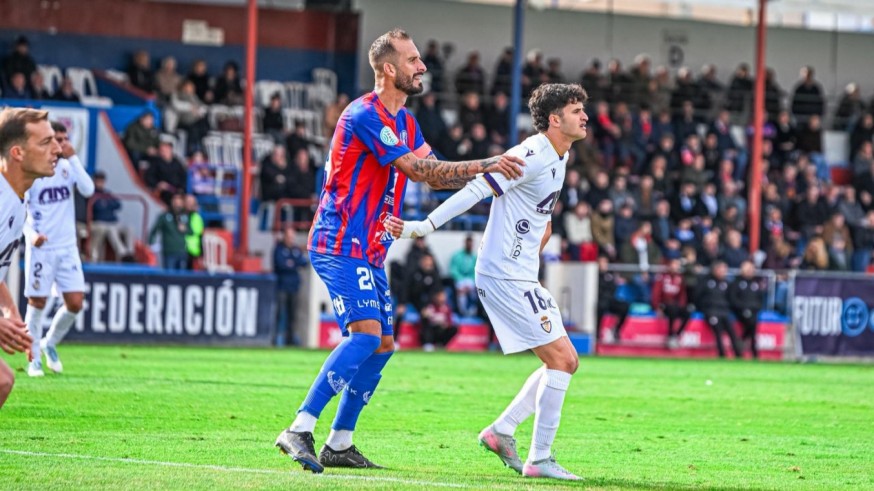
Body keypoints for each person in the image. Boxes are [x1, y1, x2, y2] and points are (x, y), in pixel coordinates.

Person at [274, 28, 523, 474]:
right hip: (339, 241)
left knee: (383, 345)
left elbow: (436, 174)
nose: (422, 66)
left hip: (369, 249)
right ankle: (299, 427)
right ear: (388, 69)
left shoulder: (405, 122)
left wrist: (492, 177)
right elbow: (417, 169)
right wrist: (488, 163)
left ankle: (339, 442)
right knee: (366, 336)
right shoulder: (364, 114)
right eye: (413, 60)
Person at [386, 83, 589, 480]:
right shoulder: (530, 153)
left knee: (566, 361)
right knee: (562, 360)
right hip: (503, 274)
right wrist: (422, 226)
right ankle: (538, 459)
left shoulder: (561, 155)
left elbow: (540, 211)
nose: (584, 116)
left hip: (520, 273)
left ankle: (502, 431)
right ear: (554, 119)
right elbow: (477, 189)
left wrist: (538, 238)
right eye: (575, 110)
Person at [0, 108, 61, 408]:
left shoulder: (14, 201)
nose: (58, 149)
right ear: (17, 153)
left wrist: (10, 311)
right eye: (46, 142)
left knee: (3, 380)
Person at [23, 121, 95, 377]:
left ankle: (49, 343)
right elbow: (19, 211)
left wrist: (74, 158)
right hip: (42, 249)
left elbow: (88, 189)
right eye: (57, 139)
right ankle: (33, 358)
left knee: (75, 303)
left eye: (65, 139)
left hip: (67, 248)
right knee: (37, 303)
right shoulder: (32, 173)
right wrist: (31, 235)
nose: (62, 144)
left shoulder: (66, 168)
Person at [695, 261, 743, 358]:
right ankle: (722, 354)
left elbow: (731, 299)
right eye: (721, 270)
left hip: (724, 312)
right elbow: (698, 296)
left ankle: (738, 355)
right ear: (715, 270)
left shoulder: (727, 283)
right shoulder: (706, 282)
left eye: (724, 270)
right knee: (718, 329)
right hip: (711, 311)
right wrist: (704, 308)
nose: (723, 272)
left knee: (732, 332)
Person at [89, 171, 135, 262]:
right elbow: (98, 208)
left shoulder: (107, 193)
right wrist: (107, 205)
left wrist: (106, 205)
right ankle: (123, 253)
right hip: (100, 222)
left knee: (130, 228)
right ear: (94, 181)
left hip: (113, 221)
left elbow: (118, 205)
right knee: (111, 229)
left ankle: (130, 253)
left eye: (102, 181)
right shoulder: (91, 193)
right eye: (98, 181)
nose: (100, 183)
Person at [273, 228, 308, 347]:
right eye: (289, 237)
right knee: (280, 314)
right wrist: (293, 264)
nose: (291, 239)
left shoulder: (295, 250)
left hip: (294, 287)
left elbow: (303, 263)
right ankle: (277, 339)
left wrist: (291, 263)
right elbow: (281, 264)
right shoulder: (279, 249)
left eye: (292, 237)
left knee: (293, 315)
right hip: (282, 287)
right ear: (284, 237)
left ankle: (291, 339)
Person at [728, 260, 764, 359]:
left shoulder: (755, 284)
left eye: (751, 269)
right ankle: (753, 350)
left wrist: (756, 308)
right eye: (747, 268)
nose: (750, 271)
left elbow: (760, 299)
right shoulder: (736, 283)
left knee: (752, 322)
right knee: (752, 323)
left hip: (753, 311)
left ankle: (742, 342)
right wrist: (743, 308)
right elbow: (733, 299)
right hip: (740, 311)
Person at [652, 257, 690, 348]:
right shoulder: (662, 277)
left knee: (687, 312)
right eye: (674, 264)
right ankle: (670, 335)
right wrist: (657, 307)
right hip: (664, 304)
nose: (675, 267)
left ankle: (676, 335)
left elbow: (682, 295)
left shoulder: (680, 278)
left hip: (675, 305)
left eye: (677, 265)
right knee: (672, 309)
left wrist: (682, 305)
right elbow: (656, 293)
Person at [148, 193, 190, 270]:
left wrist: (185, 229)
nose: (177, 205)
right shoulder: (164, 217)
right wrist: (152, 245)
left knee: (182, 275)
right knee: (169, 275)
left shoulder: (186, 217)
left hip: (182, 251)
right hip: (169, 252)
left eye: (179, 203)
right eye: (175, 202)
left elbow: (192, 231)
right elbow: (154, 231)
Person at [449, 235, 477, 316]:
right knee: (461, 291)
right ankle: (462, 311)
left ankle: (473, 311)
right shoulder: (457, 255)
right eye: (468, 243)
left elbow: (475, 271)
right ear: (465, 243)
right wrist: (461, 280)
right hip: (460, 279)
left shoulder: (474, 257)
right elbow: (453, 270)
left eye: (471, 244)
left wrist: (470, 283)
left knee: (474, 290)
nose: (469, 245)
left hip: (471, 280)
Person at [184, 194, 204, 269]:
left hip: (192, 250)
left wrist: (201, 253)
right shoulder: (181, 215)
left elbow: (198, 234)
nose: (189, 204)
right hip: (181, 250)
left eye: (191, 202)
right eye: (187, 202)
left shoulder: (196, 217)